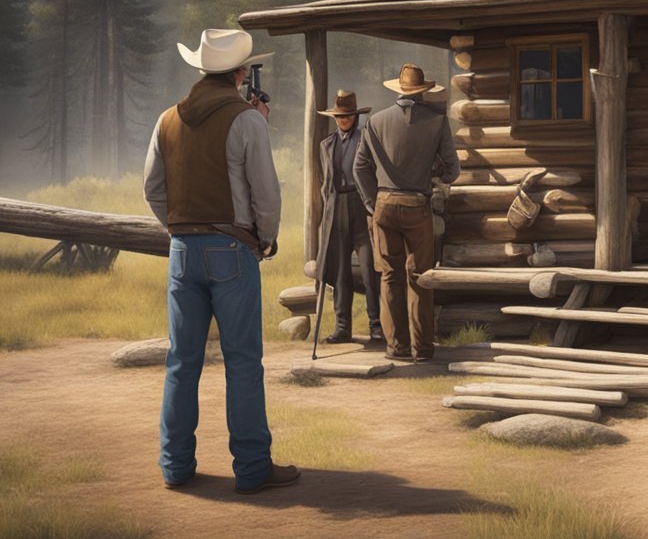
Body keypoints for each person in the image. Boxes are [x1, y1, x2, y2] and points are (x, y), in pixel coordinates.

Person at [143, 28, 300, 494]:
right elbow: (266, 192)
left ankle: (175, 467)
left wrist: (179, 228)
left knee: (181, 362)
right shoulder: (246, 119)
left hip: (181, 251)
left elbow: (153, 190)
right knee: (243, 363)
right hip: (232, 250)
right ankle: (251, 470)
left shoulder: (167, 118)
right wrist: (263, 239)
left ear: (200, 70)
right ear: (238, 74)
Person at [354, 64, 460, 363]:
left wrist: (371, 203)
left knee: (389, 277)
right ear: (422, 90)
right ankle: (422, 349)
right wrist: (433, 170)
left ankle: (396, 347)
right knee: (420, 278)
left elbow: (359, 168)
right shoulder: (437, 122)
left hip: (384, 204)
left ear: (398, 90)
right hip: (417, 204)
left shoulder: (376, 121)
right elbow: (453, 171)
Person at [315, 90, 382, 345]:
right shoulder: (327, 145)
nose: (343, 120)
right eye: (340, 116)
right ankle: (342, 327)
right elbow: (325, 184)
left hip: (361, 204)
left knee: (369, 270)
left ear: (355, 116)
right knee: (340, 271)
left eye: (348, 116)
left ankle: (376, 326)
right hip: (337, 207)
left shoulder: (366, 139)